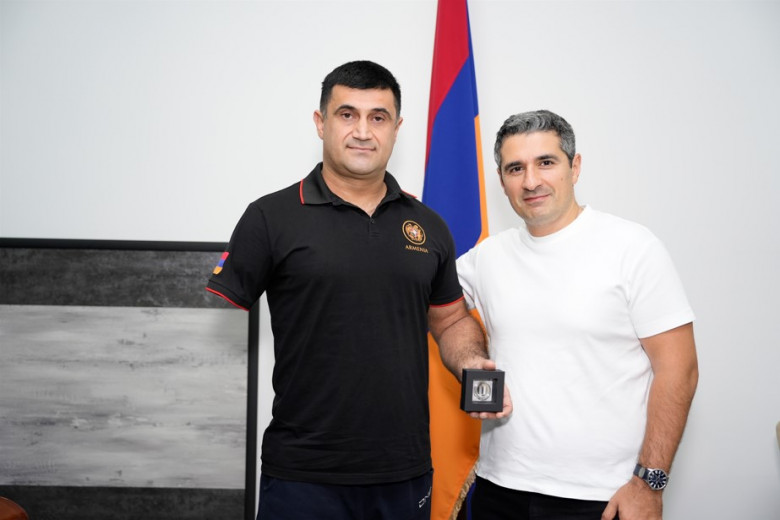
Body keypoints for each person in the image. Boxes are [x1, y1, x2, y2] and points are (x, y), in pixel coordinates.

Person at [206, 60, 510, 520]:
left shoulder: (428, 225)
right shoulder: (270, 217)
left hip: (404, 471)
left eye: (378, 117)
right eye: (347, 114)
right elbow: (224, 304)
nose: (363, 131)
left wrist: (471, 362)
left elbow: (449, 319)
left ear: (397, 129)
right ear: (321, 122)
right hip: (303, 474)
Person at [456, 110, 698, 520]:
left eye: (545, 162)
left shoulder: (633, 248)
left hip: (603, 497)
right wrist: (471, 357)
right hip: (499, 489)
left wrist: (649, 483)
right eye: (515, 168)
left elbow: (680, 371)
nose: (531, 181)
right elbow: (435, 307)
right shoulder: (487, 257)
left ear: (575, 166)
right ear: (501, 180)